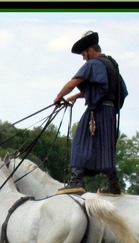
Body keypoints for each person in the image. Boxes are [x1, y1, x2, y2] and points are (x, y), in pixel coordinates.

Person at [53, 30, 127, 196]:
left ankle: (76, 181)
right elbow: (107, 89)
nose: (83, 58)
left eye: (84, 54)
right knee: (105, 148)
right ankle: (114, 185)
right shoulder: (111, 65)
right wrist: (77, 96)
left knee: (79, 141)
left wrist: (59, 96)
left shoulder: (94, 64)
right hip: (109, 112)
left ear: (91, 50)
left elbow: (73, 82)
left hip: (97, 111)